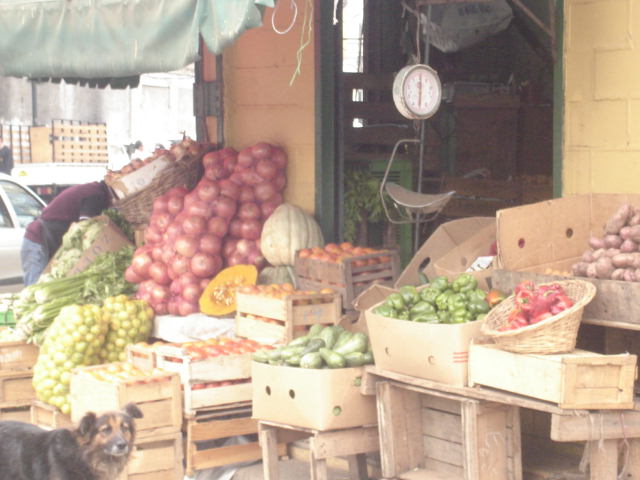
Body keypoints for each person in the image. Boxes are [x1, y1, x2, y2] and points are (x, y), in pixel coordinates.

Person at [21, 180, 114, 286]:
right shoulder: (95, 194)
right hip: (37, 241)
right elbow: (85, 227)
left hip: (46, 241)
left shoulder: (93, 189)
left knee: (44, 286)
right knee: (33, 287)